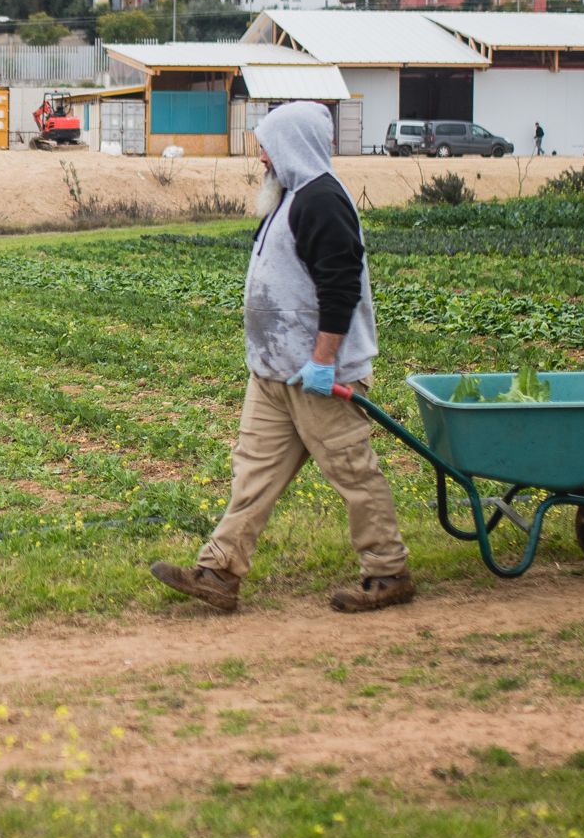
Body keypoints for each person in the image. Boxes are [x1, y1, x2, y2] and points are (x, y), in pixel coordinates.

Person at [150, 102, 414, 614]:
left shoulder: (322, 200)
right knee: (253, 473)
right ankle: (219, 572)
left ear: (291, 143)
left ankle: (388, 572)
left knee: (351, 471)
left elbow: (340, 289)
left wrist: (322, 362)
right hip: (274, 374)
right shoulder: (289, 196)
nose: (261, 155)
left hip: (318, 377)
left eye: (267, 143)